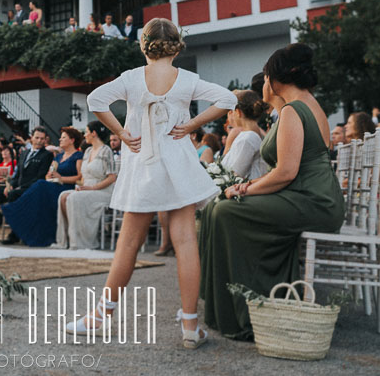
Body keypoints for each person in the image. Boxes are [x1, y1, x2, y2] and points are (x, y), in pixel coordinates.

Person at [67, 18, 237, 348]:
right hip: (179, 164)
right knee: (186, 241)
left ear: (143, 46)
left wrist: (121, 132)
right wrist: (192, 125)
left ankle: (100, 316)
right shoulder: (187, 79)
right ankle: (190, 325)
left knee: (129, 242)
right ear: (177, 47)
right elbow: (227, 99)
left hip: (142, 164)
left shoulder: (132, 79)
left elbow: (95, 101)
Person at [199, 43, 343, 342]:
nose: (263, 83)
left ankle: (247, 308)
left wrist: (246, 189)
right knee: (218, 206)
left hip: (311, 200)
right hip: (310, 196)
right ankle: (223, 303)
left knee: (226, 210)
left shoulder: (293, 110)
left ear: (278, 78)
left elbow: (286, 172)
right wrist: (246, 188)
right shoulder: (300, 105)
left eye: (266, 76)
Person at [2, 127, 83, 246]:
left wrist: (61, 178)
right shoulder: (58, 157)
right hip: (53, 185)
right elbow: (48, 174)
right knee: (41, 186)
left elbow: (80, 177)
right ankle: (28, 229)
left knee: (39, 185)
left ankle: (13, 209)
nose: (60, 139)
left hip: (66, 187)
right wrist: (50, 176)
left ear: (72, 140)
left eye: (63, 137)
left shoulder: (78, 155)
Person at [56, 120, 118, 249]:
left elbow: (112, 177)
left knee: (73, 198)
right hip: (87, 188)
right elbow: (84, 175)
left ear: (94, 133)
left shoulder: (106, 151)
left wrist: (92, 187)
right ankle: (66, 239)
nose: (85, 135)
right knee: (63, 196)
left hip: (103, 190)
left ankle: (80, 242)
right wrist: (81, 185)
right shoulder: (88, 151)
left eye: (87, 132)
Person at [0, 127, 54, 230]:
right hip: (16, 188)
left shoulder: (47, 155)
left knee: (13, 194)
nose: (39, 141)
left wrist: (19, 188)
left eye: (42, 138)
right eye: (37, 138)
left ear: (45, 140)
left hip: (31, 189)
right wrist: (10, 185)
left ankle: (15, 233)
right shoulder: (24, 153)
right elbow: (17, 175)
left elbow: (39, 177)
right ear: (31, 138)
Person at [221, 89, 270, 180]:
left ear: (238, 112)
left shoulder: (248, 138)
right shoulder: (247, 135)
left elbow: (235, 174)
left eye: (232, 111)